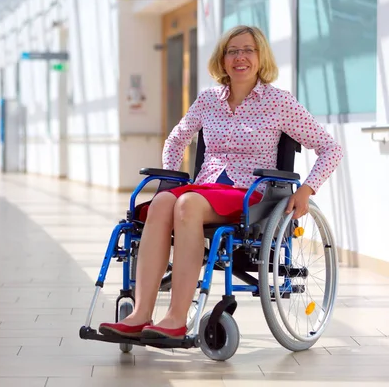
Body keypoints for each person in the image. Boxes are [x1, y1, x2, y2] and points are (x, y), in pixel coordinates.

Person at [98, 25, 344, 339]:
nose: (240, 57)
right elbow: (175, 141)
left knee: (187, 204)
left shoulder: (279, 103)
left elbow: (331, 148)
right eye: (232, 51)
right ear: (223, 58)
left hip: (249, 194)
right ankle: (140, 314)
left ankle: (175, 319)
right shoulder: (208, 100)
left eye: (248, 50)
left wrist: (307, 189)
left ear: (260, 57)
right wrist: (169, 178)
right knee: (161, 202)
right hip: (206, 187)